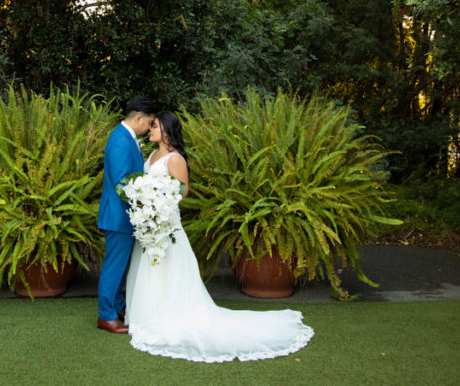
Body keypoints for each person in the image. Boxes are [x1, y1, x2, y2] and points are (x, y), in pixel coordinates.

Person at [124, 111, 314, 362]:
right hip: (150, 224)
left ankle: (168, 315)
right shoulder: (150, 155)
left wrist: (158, 201)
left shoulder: (175, 158)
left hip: (166, 224)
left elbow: (182, 191)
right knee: (150, 267)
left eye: (155, 126)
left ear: (167, 131)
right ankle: (147, 315)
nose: (150, 129)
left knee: (168, 268)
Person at [96, 95, 159, 334]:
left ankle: (118, 307)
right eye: (150, 122)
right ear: (139, 117)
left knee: (121, 266)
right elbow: (123, 182)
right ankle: (106, 315)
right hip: (119, 215)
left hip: (125, 215)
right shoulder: (122, 140)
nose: (150, 127)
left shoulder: (125, 137)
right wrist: (148, 201)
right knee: (115, 265)